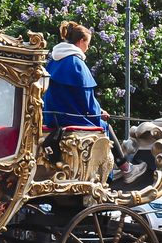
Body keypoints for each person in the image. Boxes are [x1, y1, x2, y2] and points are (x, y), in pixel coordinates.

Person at [42, 20, 146, 184]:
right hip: (70, 119)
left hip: (54, 118)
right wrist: (99, 112)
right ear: (81, 41)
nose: (88, 48)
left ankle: (123, 166)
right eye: (88, 44)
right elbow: (86, 99)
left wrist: (97, 109)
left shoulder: (54, 62)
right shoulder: (75, 63)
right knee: (105, 125)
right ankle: (127, 168)